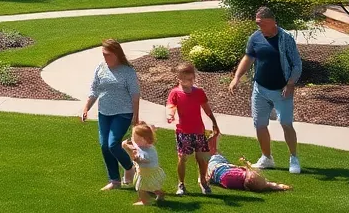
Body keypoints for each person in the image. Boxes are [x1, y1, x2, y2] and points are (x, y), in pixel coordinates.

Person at [228, 6, 302, 174]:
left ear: (272, 22)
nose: (259, 27)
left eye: (262, 24)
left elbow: (297, 64)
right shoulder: (255, 38)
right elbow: (248, 57)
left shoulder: (285, 39)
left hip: (281, 91)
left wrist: (290, 83)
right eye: (257, 23)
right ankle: (267, 158)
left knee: (285, 123)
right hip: (260, 89)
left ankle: (293, 158)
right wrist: (237, 77)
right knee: (260, 124)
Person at [81, 38, 141, 191]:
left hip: (123, 113)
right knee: (104, 146)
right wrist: (86, 107)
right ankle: (114, 180)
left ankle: (129, 168)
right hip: (104, 113)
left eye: (107, 54)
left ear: (116, 54)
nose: (104, 57)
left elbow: (135, 94)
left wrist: (136, 115)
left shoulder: (128, 71)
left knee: (113, 144)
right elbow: (94, 90)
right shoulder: (100, 68)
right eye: (103, 54)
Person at [166, 61, 219, 195]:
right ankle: (181, 184)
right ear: (179, 79)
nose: (189, 82)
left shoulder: (199, 92)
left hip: (199, 131)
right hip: (183, 131)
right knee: (183, 158)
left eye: (191, 79)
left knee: (202, 158)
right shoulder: (175, 93)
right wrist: (170, 115)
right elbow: (171, 106)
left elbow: (207, 110)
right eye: (185, 79)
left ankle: (203, 181)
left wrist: (214, 123)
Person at [205, 132, 292, 193]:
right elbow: (268, 184)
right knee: (215, 154)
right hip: (218, 170)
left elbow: (224, 172)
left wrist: (206, 178)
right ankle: (212, 140)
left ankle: (212, 138)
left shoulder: (234, 176)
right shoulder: (243, 184)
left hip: (217, 166)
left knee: (214, 152)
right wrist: (279, 186)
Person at [121, 122, 166, 206]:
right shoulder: (145, 144)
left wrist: (127, 148)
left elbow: (136, 159)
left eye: (136, 139)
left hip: (146, 172)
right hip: (152, 171)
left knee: (140, 188)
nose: (134, 141)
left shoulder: (146, 153)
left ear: (144, 139)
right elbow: (135, 145)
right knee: (152, 186)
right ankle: (160, 194)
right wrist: (130, 143)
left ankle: (144, 201)